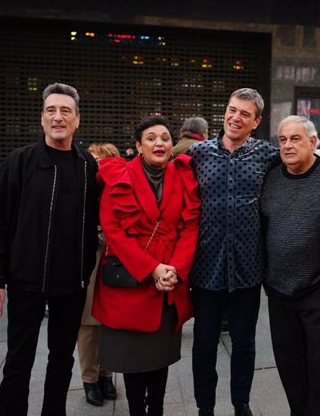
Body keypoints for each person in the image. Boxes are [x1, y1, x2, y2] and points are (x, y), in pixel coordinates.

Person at [187, 88, 320, 416]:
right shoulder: (198, 154)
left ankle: (241, 402)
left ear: (256, 122)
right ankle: (205, 406)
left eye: (245, 114)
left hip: (248, 269)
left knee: (244, 343)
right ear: (224, 112)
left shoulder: (266, 154)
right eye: (232, 110)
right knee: (203, 344)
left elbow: (300, 150)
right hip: (206, 268)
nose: (236, 118)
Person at [0, 83, 100, 416]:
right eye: (51, 110)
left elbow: (92, 224)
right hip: (25, 282)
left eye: (65, 111)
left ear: (77, 120)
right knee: (18, 361)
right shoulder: (19, 162)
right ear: (42, 119)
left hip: (71, 284)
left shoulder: (88, 166)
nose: (58, 117)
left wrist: (86, 267)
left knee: (61, 361)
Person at [92, 116, 201, 416]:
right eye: (151, 138)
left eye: (165, 137)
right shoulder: (119, 175)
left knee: (160, 359)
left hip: (169, 282)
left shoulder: (182, 175)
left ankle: (157, 410)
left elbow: (189, 228)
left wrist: (175, 270)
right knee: (134, 362)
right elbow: (113, 230)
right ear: (138, 146)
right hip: (132, 280)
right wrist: (152, 268)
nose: (159, 143)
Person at [260, 115, 320, 415]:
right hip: (278, 291)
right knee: (289, 367)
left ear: (314, 143)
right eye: (282, 139)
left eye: (295, 138)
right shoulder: (271, 177)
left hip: (318, 290)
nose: (287, 145)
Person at [77, 142, 120, 406]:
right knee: (88, 324)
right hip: (88, 258)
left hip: (115, 259)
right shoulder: (83, 187)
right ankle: (89, 379)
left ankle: (107, 374)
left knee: (111, 322)